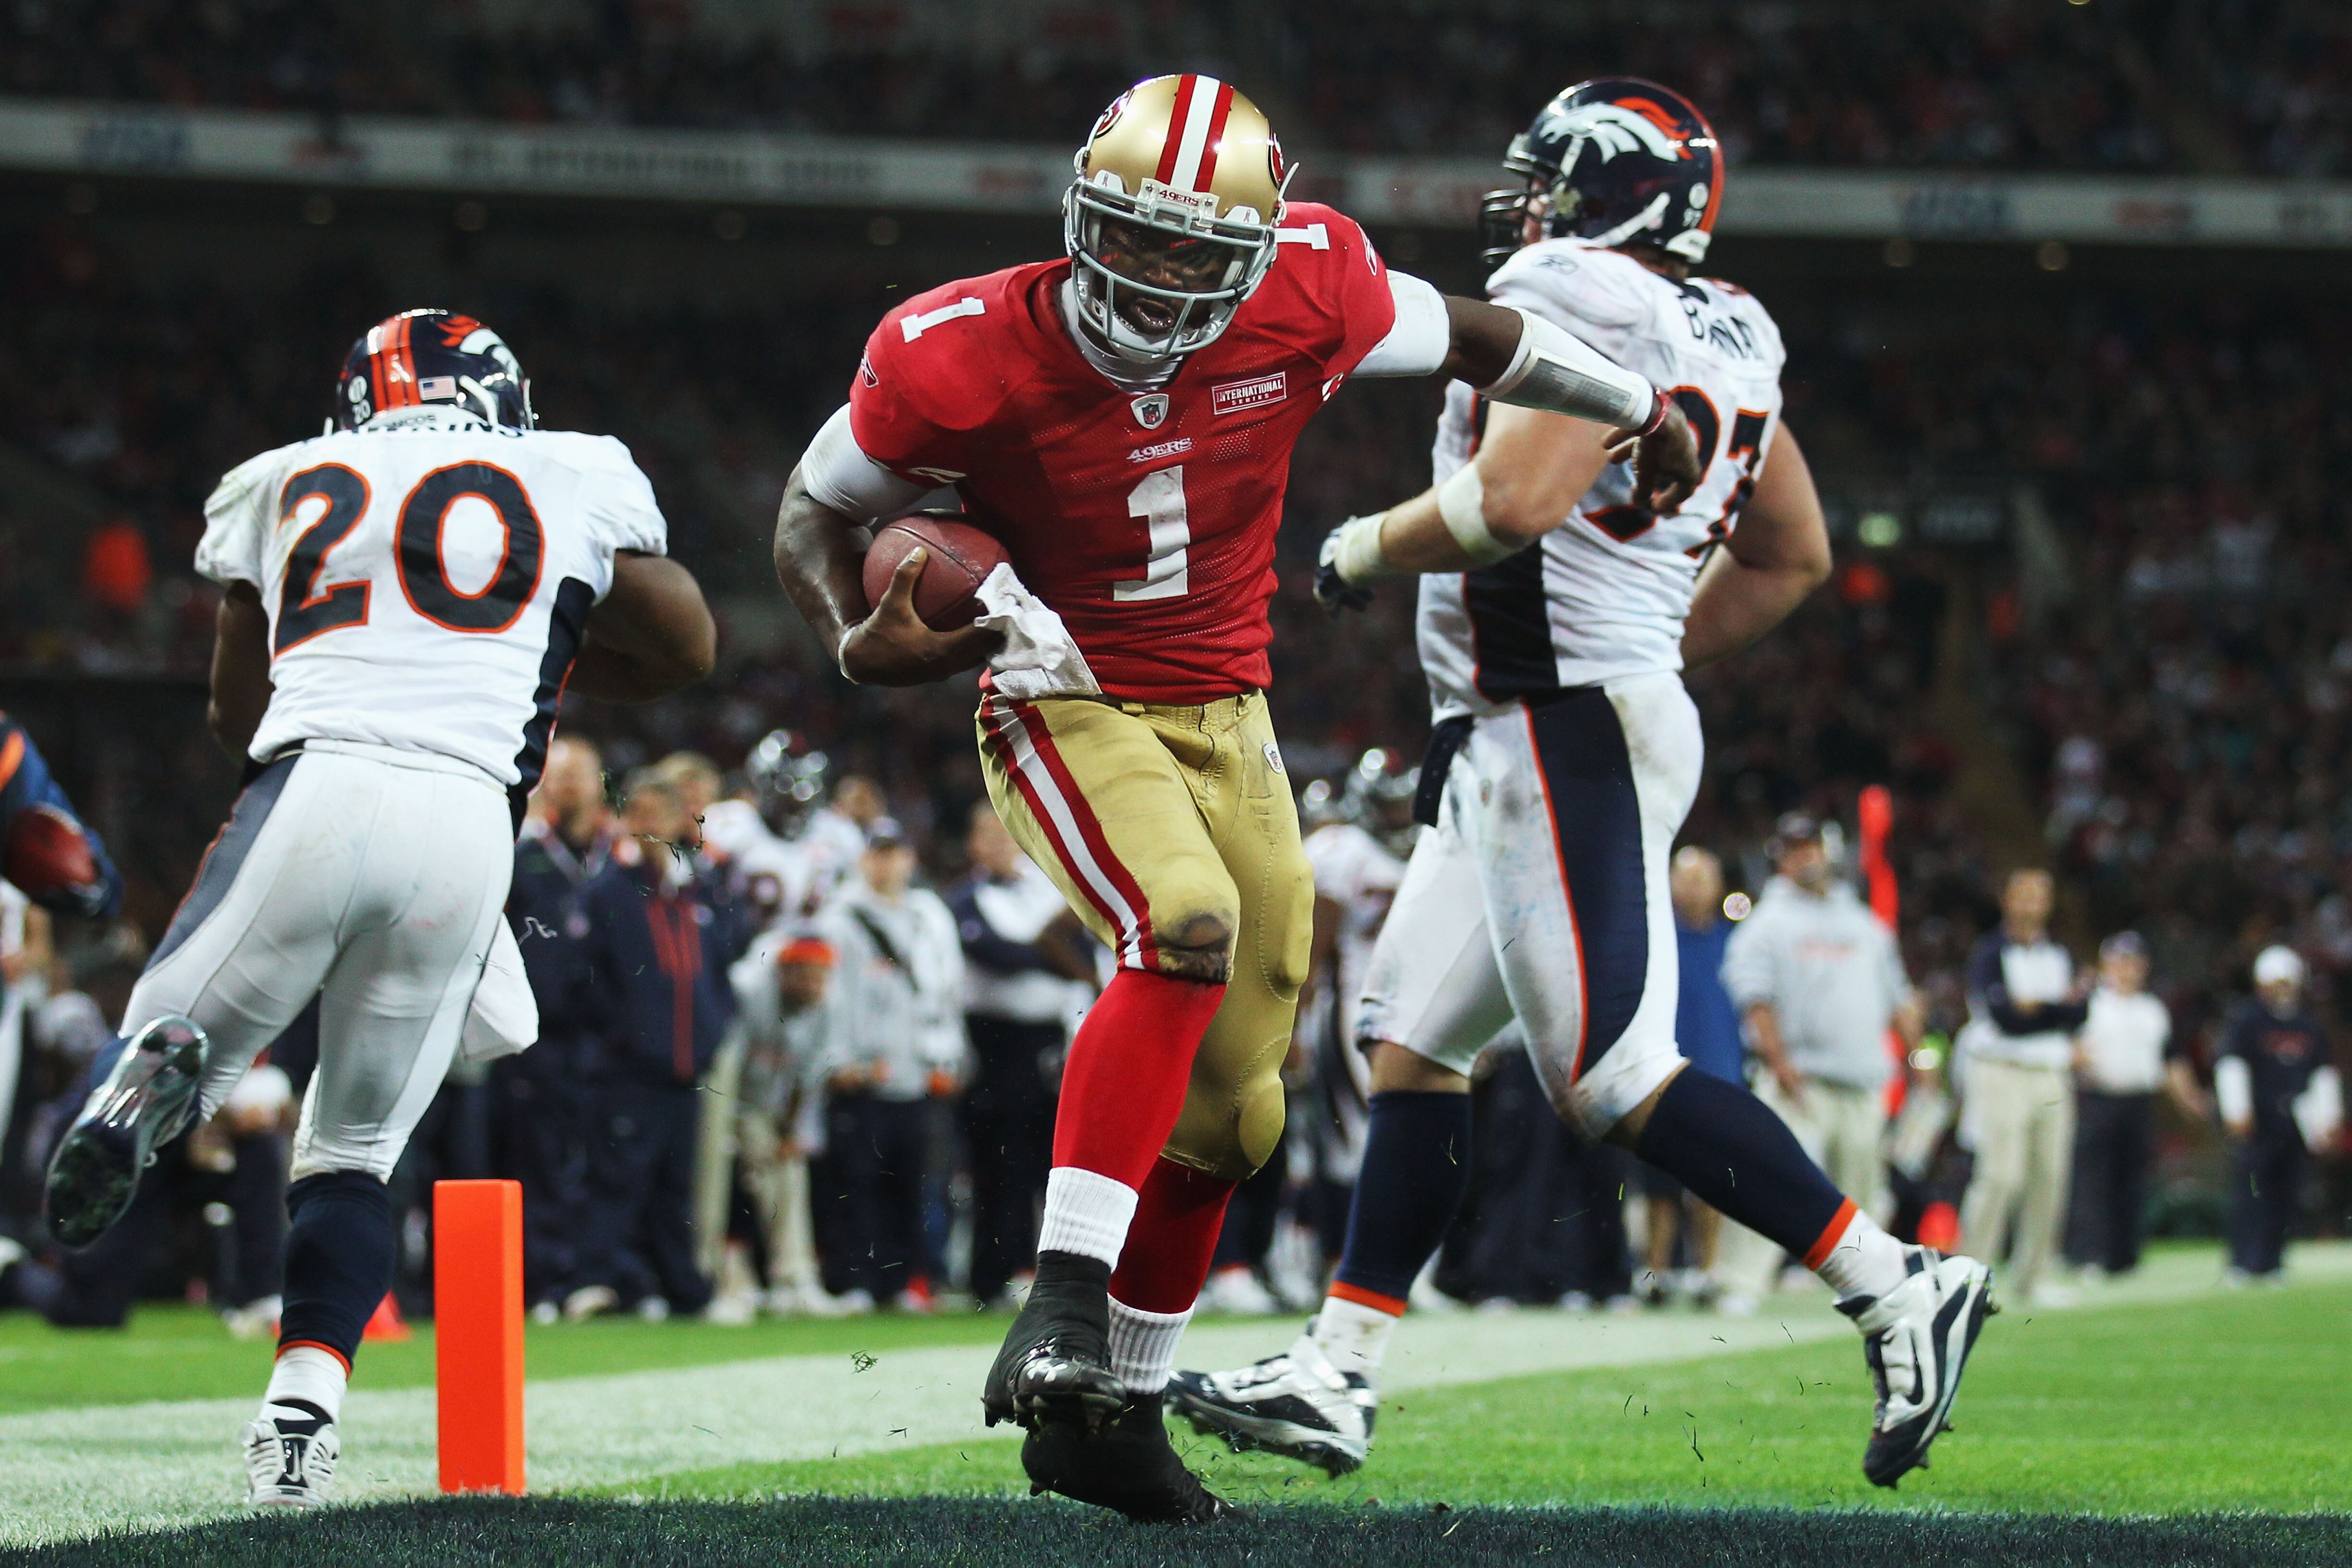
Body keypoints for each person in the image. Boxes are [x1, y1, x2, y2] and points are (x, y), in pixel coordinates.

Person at [771, 71, 1702, 1520]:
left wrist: (1641, 403)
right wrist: (856, 636)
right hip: (1059, 685)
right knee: (1184, 920)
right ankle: (1066, 1291)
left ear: (1257, 257)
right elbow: (812, 510)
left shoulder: (1315, 284)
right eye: (1127, 236)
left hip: (1229, 702)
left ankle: (1112, 1415)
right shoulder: (951, 349)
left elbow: (1491, 337)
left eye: (1191, 253)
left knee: (1243, 1107)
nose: (1148, 277)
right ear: (1081, 216)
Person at [1172, 78, 1989, 1494]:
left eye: (1552, 179)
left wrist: (1359, 547)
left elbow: (1513, 501)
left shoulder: (1579, 287)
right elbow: (1788, 548)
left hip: (1557, 724)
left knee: (1612, 1074)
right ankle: (1336, 1372)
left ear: (1608, 194)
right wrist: (1652, 640)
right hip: (1552, 719)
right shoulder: (1733, 323)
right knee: (1412, 1044)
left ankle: (1894, 1276)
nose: (1531, 208)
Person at [36, 308, 714, 1507]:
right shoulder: (576, 468)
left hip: (316, 784)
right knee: (352, 1151)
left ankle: (164, 1068)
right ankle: (299, 1424)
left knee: (176, 1016)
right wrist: (533, 637)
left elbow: (235, 715)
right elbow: (687, 644)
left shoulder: (285, 476)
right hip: (465, 824)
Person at [1714, 813, 1921, 1309]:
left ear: (1828, 853)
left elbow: (1898, 995)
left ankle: (1869, 1285)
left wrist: (1917, 1052)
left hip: (1860, 1077)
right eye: (1794, 849)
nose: (1804, 857)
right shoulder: (1769, 921)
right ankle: (1739, 1283)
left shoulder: (1863, 923)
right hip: (1797, 1078)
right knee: (1770, 1181)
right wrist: (1779, 1060)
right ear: (1781, 859)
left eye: (1811, 847)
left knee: (1863, 1192)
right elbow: (1753, 997)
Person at [571, 771, 747, 1322]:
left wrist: (713, 1030)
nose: (646, 827)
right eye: (637, 815)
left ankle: (680, 1289)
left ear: (677, 821)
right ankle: (602, 1281)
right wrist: (623, 1035)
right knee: (619, 1178)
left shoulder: (698, 888)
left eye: (657, 815)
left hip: (686, 1065)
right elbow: (589, 977)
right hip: (630, 1067)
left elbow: (719, 968)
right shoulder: (608, 890)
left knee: (676, 1186)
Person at [809, 819, 966, 1310]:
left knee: (909, 1185)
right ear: (863, 860)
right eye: (877, 853)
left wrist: (949, 1054)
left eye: (895, 853)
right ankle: (856, 1281)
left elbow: (946, 992)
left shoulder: (927, 917)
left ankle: (902, 1282)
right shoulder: (841, 919)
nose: (886, 863)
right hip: (865, 1074)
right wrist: (838, 1060)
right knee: (858, 1185)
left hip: (916, 1072)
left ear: (910, 859)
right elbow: (833, 999)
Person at [953, 803, 1093, 1311]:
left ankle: (1032, 1268)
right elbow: (997, 953)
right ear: (972, 846)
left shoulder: (1042, 887)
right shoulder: (966, 897)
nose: (999, 845)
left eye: (1006, 835)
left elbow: (1077, 936)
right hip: (996, 1041)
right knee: (998, 1163)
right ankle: (991, 1276)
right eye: (987, 836)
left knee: (1044, 1163)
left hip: (1049, 1040)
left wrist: (1052, 953)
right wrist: (1057, 956)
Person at [496, 734, 612, 1314]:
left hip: (600, 1040)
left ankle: (587, 1277)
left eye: (580, 774)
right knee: (537, 1162)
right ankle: (542, 1282)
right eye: (559, 774)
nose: (569, 786)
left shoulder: (616, 860)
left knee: (595, 1161)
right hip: (536, 1039)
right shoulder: (520, 857)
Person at [1955, 868, 2087, 1307]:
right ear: (2006, 901)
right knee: (2000, 1175)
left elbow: (2080, 1012)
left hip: (2050, 1072)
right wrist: (2055, 1009)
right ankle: (1971, 1276)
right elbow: (2005, 1018)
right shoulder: (1989, 952)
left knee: (2050, 1176)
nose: (2031, 904)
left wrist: (2038, 1008)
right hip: (2002, 1071)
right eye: (2023, 895)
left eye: (2038, 896)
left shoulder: (2060, 953)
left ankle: (2035, 1274)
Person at [1632, 845, 1743, 1304]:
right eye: (1686, 878)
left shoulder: (1737, 944)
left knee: (1712, 1185)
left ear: (1719, 886)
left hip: (1720, 1078)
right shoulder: (1653, 939)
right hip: (1661, 1073)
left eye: (1704, 878)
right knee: (1660, 1185)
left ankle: (1707, 1272)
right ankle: (1655, 1274)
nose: (1694, 887)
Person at [2217, 946, 2342, 1283]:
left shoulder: (2307, 1025)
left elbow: (2322, 1074)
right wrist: (2237, 1110)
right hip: (2259, 1121)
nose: (2282, 989)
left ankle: (2273, 1260)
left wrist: (2328, 1118)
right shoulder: (2248, 1020)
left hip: (2295, 1122)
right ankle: (2244, 1261)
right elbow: (2232, 1065)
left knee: (2287, 1193)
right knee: (2252, 1191)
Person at [2064, 932, 2186, 1278]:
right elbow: (2068, 1043)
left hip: (2139, 1102)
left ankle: (2125, 1256)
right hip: (2098, 1099)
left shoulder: (2152, 1009)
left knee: (2132, 1182)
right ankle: (2088, 1255)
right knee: (2093, 1181)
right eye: (2120, 961)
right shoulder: (2090, 1003)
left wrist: (2189, 1101)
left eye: (2134, 962)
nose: (2128, 969)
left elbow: (2170, 1058)